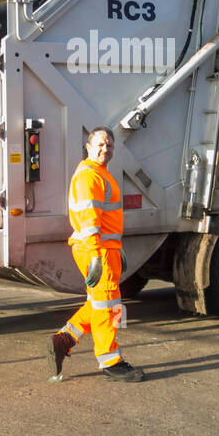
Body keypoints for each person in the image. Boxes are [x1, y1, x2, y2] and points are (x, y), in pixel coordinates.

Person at [46, 127, 145, 383]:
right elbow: (89, 221)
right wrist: (94, 256)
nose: (105, 149)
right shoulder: (89, 176)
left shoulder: (100, 174)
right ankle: (110, 361)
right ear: (88, 147)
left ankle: (63, 340)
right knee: (108, 305)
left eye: (110, 145)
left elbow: (104, 220)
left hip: (104, 248)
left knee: (99, 304)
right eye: (100, 144)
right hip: (96, 250)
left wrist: (115, 247)